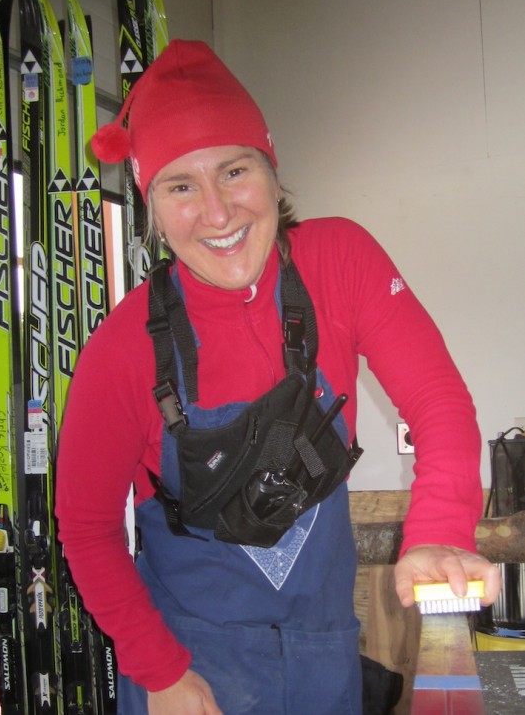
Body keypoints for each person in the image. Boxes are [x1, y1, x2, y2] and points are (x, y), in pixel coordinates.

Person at [56, 39, 501, 715]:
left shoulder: (338, 262)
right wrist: (161, 672)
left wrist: (440, 527)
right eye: (181, 186)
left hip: (325, 656)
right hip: (190, 665)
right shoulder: (119, 350)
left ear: (270, 167)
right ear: (153, 206)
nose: (216, 211)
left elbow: (437, 403)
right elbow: (86, 527)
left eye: (234, 171)